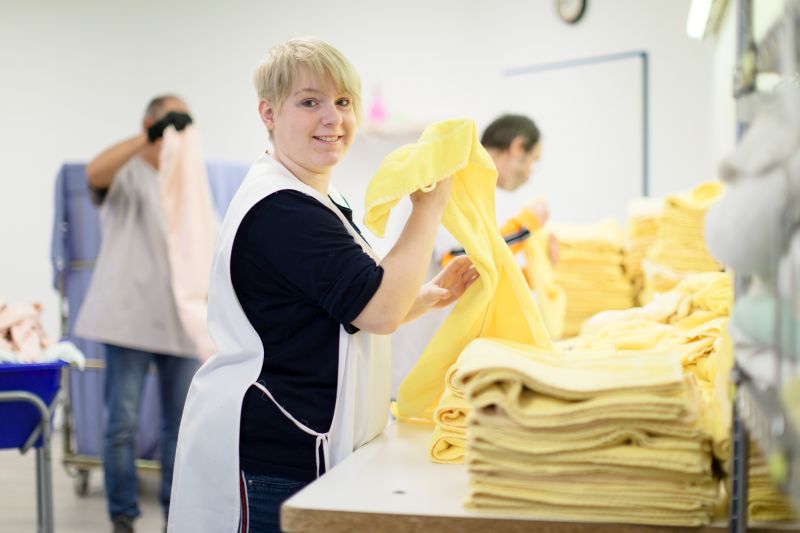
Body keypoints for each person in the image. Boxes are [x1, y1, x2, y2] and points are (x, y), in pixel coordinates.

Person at [167, 37, 478, 533]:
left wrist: (421, 299)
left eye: (343, 102)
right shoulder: (283, 209)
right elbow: (377, 311)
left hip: (294, 442)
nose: (333, 118)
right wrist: (430, 208)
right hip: (274, 453)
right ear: (268, 113)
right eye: (310, 102)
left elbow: (340, 304)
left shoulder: (315, 197)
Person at [74, 95, 211, 533]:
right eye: (168, 120)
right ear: (150, 122)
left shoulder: (190, 178)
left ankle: (177, 516)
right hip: (127, 318)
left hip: (181, 321)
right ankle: (123, 517)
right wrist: (145, 137)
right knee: (122, 425)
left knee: (181, 427)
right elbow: (93, 173)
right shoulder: (126, 173)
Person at [390, 113, 558, 396]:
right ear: (517, 147)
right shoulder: (450, 182)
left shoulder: (479, 193)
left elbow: (490, 264)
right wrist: (527, 225)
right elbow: (462, 260)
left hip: (443, 363)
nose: (530, 173)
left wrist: (537, 267)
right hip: (418, 361)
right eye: (533, 161)